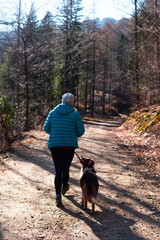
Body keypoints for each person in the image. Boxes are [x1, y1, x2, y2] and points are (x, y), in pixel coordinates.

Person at [44, 93, 85, 207]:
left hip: (55, 146)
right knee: (65, 168)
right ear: (72, 102)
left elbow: (46, 128)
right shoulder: (75, 114)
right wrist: (72, 134)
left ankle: (57, 195)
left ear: (62, 101)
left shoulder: (52, 113)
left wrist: (56, 132)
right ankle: (65, 186)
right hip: (69, 146)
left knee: (58, 171)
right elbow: (81, 131)